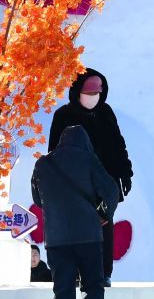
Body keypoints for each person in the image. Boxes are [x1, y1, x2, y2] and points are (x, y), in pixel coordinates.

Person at [29, 124, 123, 299]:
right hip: (88, 237)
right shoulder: (89, 160)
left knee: (63, 293)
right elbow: (112, 190)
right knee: (92, 288)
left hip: (57, 240)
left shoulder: (43, 164)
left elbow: (37, 200)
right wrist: (103, 214)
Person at [48, 69, 133, 281]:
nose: (93, 97)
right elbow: (53, 152)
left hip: (105, 182)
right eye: (89, 92)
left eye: (97, 92)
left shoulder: (106, 113)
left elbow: (118, 144)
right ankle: (77, 273)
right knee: (76, 227)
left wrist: (125, 173)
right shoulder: (63, 115)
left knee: (104, 225)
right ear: (77, 91)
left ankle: (103, 273)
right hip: (74, 183)